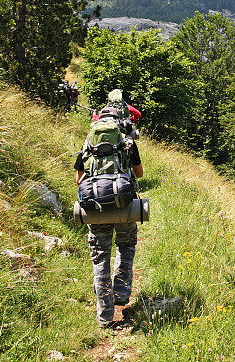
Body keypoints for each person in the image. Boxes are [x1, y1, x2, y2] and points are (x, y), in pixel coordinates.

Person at [75, 105, 143, 329]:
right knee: (125, 247)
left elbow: (79, 179)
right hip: (124, 205)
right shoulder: (127, 142)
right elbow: (139, 173)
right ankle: (121, 294)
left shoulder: (87, 143)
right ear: (118, 122)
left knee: (100, 257)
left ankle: (105, 314)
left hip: (96, 208)